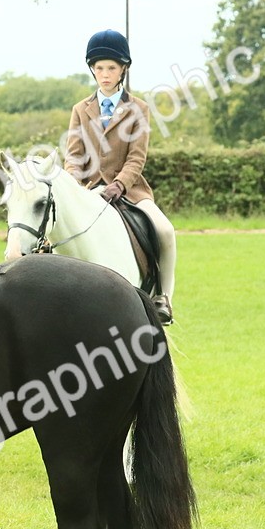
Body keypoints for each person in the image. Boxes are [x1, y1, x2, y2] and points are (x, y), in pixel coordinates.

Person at [64, 30, 177, 324]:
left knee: (165, 231)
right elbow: (73, 157)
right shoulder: (80, 109)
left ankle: (163, 296)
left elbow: (137, 156)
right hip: (88, 190)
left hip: (129, 191)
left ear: (123, 69)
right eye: (99, 68)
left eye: (111, 68)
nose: (104, 74)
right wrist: (73, 187)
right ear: (92, 69)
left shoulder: (138, 108)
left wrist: (119, 184)